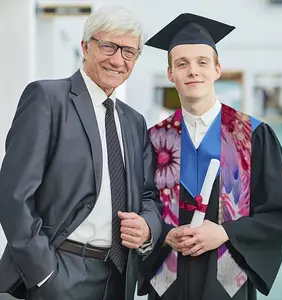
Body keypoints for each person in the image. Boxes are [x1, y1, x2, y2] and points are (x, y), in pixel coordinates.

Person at [0, 6, 162, 300]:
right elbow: (14, 195)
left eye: (129, 52)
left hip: (117, 276)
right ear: (85, 46)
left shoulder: (134, 121)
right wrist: (44, 274)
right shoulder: (48, 99)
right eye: (108, 46)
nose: (117, 59)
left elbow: (148, 194)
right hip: (59, 271)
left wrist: (148, 227)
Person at [138, 13, 282, 300]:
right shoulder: (153, 140)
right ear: (171, 74)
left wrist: (226, 233)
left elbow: (279, 213)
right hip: (167, 283)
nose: (193, 71)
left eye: (202, 62)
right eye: (182, 64)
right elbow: (139, 206)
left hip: (227, 284)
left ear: (217, 69)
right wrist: (164, 235)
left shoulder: (253, 135)